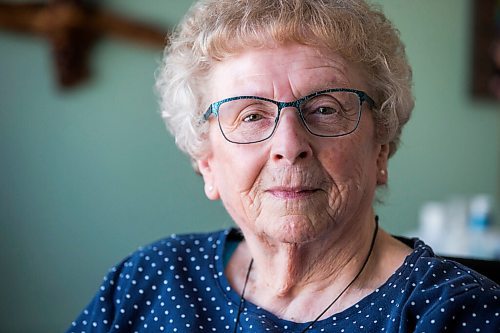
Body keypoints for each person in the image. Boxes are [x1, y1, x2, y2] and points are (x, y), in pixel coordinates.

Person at [66, 0, 500, 332]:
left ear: (380, 149)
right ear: (208, 162)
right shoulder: (149, 282)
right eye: (251, 115)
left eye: (326, 109)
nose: (289, 145)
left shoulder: (457, 312)